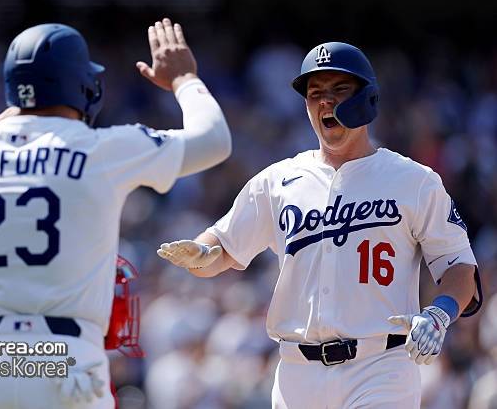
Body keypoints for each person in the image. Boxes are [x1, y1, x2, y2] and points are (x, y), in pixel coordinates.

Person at [157, 42, 483, 408]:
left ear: (367, 98)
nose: (325, 102)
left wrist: (439, 314)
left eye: (339, 90)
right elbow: (222, 248)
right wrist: (202, 253)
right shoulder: (277, 181)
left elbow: (460, 268)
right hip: (298, 372)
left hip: (381, 367)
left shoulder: (414, 181)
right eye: (315, 94)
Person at [0, 18, 231, 409]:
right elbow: (214, 140)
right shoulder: (101, 148)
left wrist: (20, 107)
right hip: (67, 361)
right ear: (81, 85)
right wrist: (185, 79)